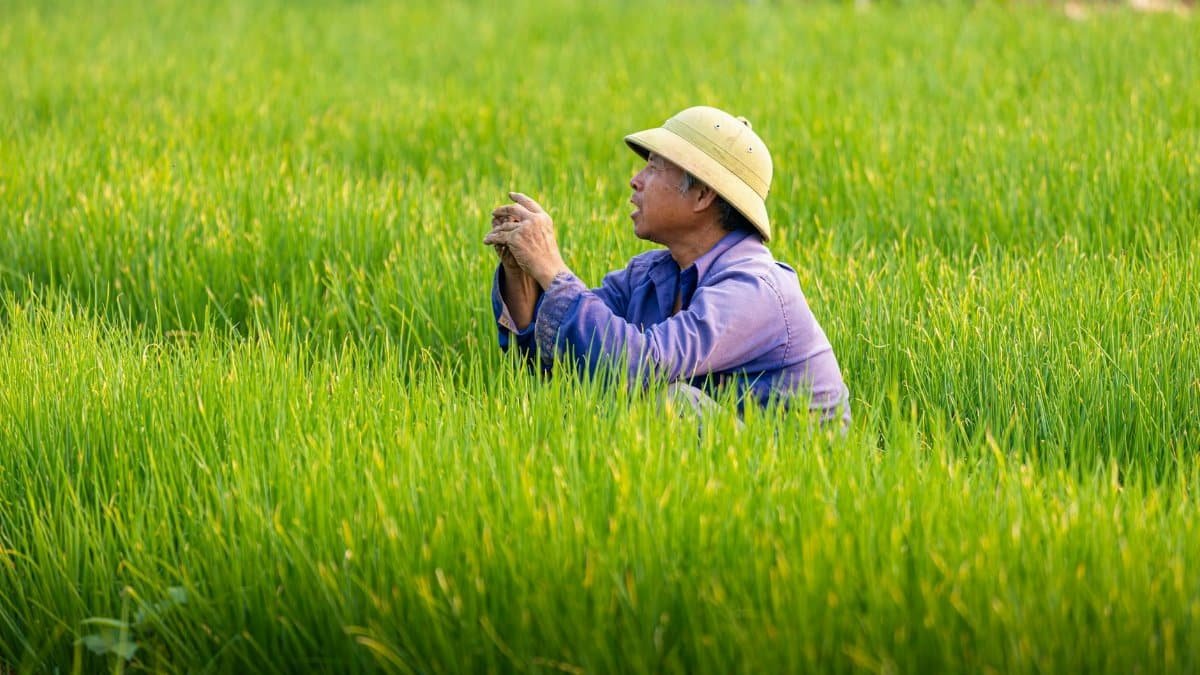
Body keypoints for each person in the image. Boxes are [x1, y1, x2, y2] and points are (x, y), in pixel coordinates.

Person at [483, 106, 850, 426]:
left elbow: (638, 365)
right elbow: (566, 358)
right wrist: (523, 275)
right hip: (726, 461)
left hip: (788, 474)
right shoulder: (650, 275)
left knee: (670, 404)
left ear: (703, 194)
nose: (636, 180)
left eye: (655, 168)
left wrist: (554, 271)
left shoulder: (753, 289)